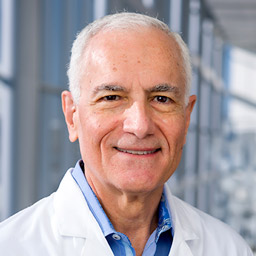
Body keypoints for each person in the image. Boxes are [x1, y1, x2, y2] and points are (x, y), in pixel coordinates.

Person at [0, 12, 253, 256]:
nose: (140, 125)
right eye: (111, 97)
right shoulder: (11, 247)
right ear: (72, 116)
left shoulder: (229, 249)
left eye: (162, 99)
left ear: (186, 119)